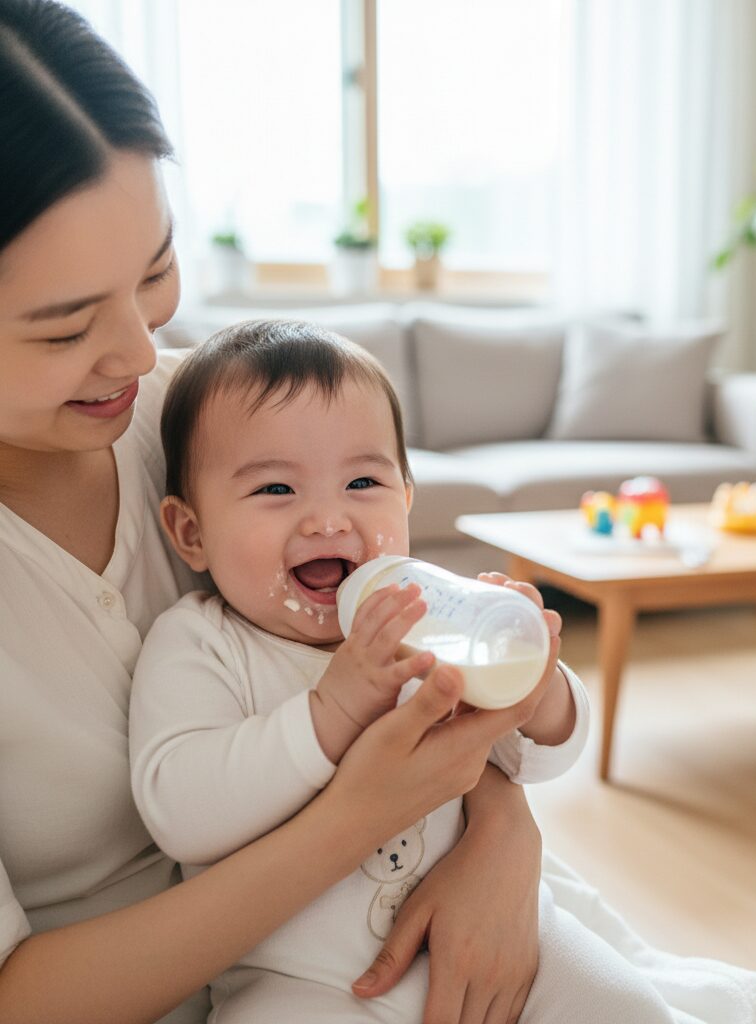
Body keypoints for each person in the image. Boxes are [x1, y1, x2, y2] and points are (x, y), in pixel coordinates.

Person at [0, 3, 555, 1021]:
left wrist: (500, 829)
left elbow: (429, 683)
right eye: (66, 326)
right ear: (186, 528)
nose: (137, 351)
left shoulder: (198, 415)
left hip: (399, 905)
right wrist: (358, 817)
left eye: (156, 273)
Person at [128, 318, 681, 1022]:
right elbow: (183, 813)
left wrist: (539, 692)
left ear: (407, 498)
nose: (329, 519)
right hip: (305, 982)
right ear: (191, 532)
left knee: (624, 1005)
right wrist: (331, 712)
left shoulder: (435, 617)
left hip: (502, 936)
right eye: (275, 490)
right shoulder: (201, 644)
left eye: (363, 481)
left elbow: (532, 757)